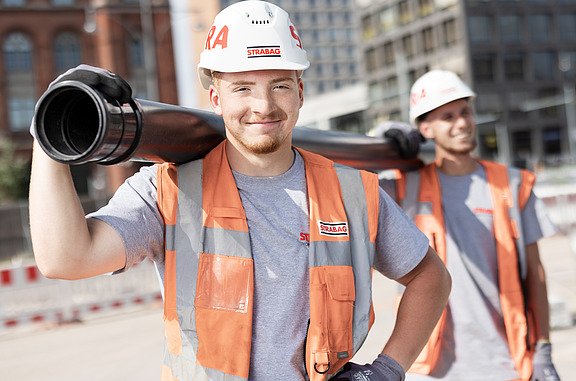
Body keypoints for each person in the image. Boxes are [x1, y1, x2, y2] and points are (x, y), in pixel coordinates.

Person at [28, 2, 451, 380]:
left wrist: (386, 371)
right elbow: (66, 258)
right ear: (215, 97)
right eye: (243, 88)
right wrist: (48, 131)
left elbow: (431, 276)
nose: (264, 106)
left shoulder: (354, 192)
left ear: (300, 92)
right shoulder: (167, 191)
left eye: (280, 85)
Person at [380, 69, 561, 381]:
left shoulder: (514, 184)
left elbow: (536, 273)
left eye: (465, 112)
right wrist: (383, 138)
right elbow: (349, 174)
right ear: (425, 128)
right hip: (434, 365)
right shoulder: (403, 188)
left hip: (508, 361)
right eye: (448, 117)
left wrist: (543, 346)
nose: (462, 123)